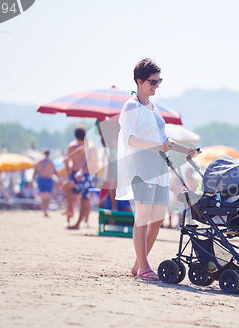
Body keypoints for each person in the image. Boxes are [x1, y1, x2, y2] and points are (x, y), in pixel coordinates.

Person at [116, 58, 200, 280]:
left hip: (159, 167)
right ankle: (143, 267)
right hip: (141, 166)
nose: (156, 85)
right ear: (139, 81)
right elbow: (130, 139)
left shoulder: (153, 108)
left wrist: (187, 150)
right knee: (142, 217)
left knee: (158, 218)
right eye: (153, 81)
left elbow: (164, 139)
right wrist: (158, 146)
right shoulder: (131, 106)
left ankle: (138, 264)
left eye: (159, 81)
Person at [63, 126, 98, 229]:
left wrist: (81, 171)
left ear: (77, 138)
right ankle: (73, 215)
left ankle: (78, 222)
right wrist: (69, 157)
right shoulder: (87, 145)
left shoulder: (90, 146)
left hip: (86, 176)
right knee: (82, 199)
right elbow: (80, 150)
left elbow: (88, 159)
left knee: (84, 200)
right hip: (84, 175)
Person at [33, 149, 60, 217]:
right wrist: (59, 179)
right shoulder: (50, 162)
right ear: (49, 154)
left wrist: (32, 180)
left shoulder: (39, 161)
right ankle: (45, 210)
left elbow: (35, 171)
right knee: (48, 196)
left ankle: (44, 210)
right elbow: (55, 171)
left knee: (43, 196)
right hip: (48, 180)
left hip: (42, 180)